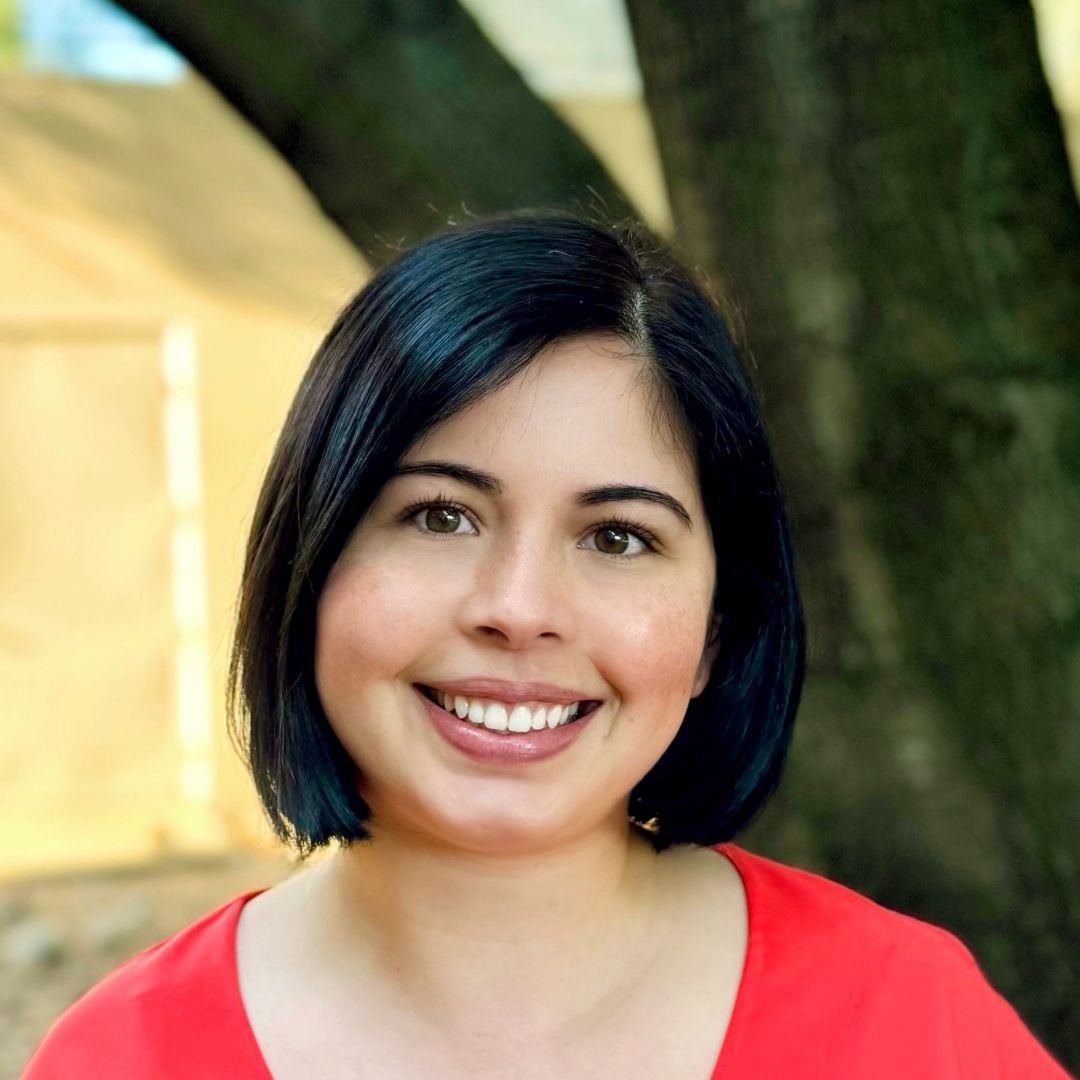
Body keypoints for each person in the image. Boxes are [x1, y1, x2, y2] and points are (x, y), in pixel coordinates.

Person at [24, 215, 1071, 1079]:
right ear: (312, 560)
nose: (519, 609)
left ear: (719, 630)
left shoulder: (906, 1025)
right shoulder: (125, 1058)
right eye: (440, 516)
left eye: (619, 537)